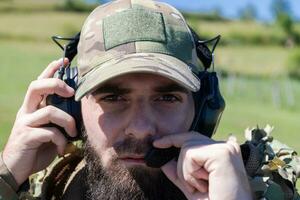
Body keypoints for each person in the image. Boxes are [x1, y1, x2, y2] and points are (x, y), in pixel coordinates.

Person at [0, 0, 299, 200]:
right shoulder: (47, 189)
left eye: (167, 97)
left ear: (202, 110)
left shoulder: (262, 188)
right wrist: (8, 176)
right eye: (113, 96)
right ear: (72, 108)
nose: (141, 128)